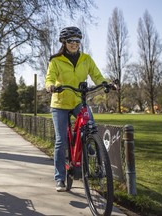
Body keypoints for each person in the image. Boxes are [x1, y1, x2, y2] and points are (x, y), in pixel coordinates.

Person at [45, 26, 108, 192]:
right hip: (59, 103)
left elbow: (96, 75)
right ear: (64, 42)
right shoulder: (56, 60)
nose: (74, 44)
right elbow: (50, 77)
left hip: (78, 100)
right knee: (61, 141)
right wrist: (50, 86)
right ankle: (59, 178)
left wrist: (105, 83)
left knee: (90, 124)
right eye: (71, 41)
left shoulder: (86, 59)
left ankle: (88, 142)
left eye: (77, 41)